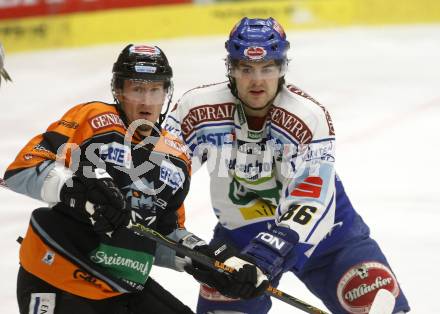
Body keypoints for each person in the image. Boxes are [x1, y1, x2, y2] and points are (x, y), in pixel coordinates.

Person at [164, 18, 411, 314]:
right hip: (239, 237)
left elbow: (311, 194)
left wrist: (270, 250)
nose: (257, 80)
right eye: (246, 68)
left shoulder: (308, 116)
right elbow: (165, 169)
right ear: (231, 69)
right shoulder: (197, 108)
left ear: (281, 69)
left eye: (267, 68)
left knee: (374, 298)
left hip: (329, 235)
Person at [4, 44, 265, 314]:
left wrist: (205, 261)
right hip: (59, 271)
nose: (147, 101)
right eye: (137, 89)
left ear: (166, 94)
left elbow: (162, 233)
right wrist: (77, 188)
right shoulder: (93, 118)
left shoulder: (177, 156)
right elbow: (22, 170)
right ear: (118, 90)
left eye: (155, 90)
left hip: (121, 283)